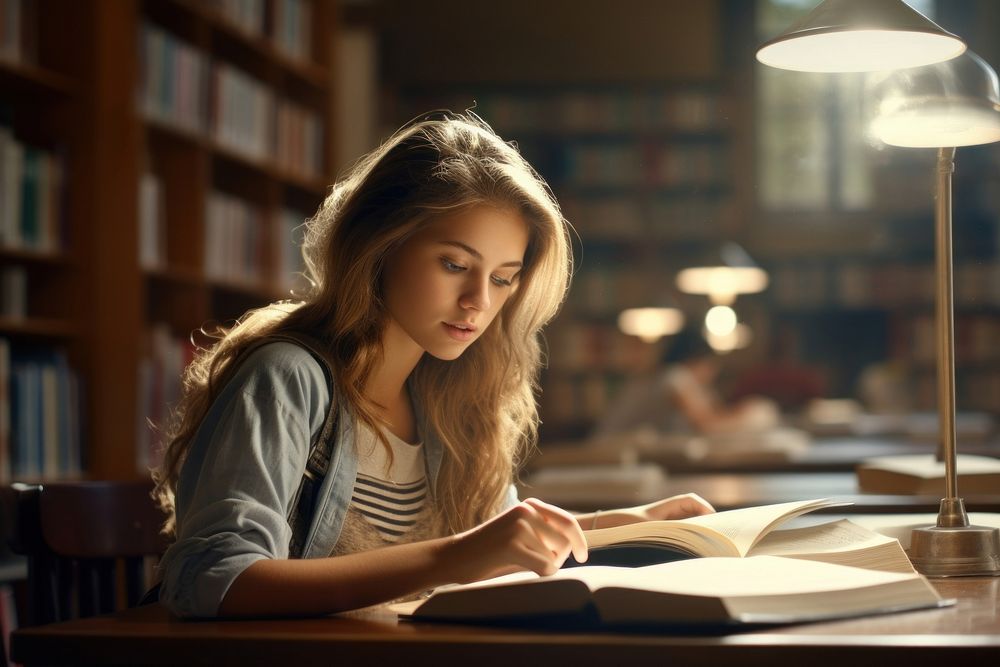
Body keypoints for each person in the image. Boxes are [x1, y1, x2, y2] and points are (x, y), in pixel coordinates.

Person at [152, 111, 714, 619]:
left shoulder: (450, 390)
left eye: (502, 278)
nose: (479, 301)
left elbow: (499, 535)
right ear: (381, 244)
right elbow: (208, 579)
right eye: (454, 264)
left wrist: (636, 524)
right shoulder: (288, 377)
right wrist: (449, 558)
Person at [593, 327, 779, 440]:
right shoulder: (675, 376)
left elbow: (713, 414)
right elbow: (707, 425)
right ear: (696, 360)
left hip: (622, 455)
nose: (711, 374)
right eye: (710, 366)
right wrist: (753, 415)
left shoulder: (666, 376)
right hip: (612, 456)